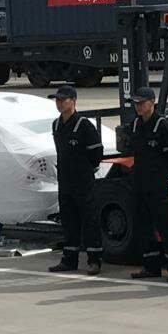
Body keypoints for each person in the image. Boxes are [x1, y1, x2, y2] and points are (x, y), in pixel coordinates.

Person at [128, 87, 168, 282]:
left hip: (158, 185)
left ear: (152, 103)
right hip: (140, 183)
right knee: (144, 225)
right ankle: (151, 266)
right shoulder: (136, 124)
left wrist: (162, 174)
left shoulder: (163, 126)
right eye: (136, 103)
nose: (138, 107)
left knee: (165, 226)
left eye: (142, 103)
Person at [47, 85, 105, 275]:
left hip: (83, 181)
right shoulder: (56, 125)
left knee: (89, 219)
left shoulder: (84, 125)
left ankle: (94, 260)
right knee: (69, 219)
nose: (59, 103)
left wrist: (85, 169)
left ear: (73, 101)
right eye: (57, 100)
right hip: (65, 181)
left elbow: (96, 153)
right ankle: (69, 259)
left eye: (63, 100)